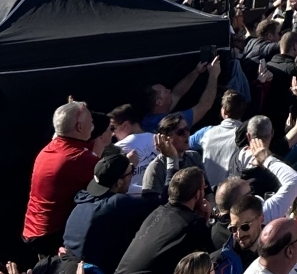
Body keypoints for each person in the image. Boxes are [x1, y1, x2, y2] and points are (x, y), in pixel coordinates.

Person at [26, 99, 115, 256]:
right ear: (79, 127)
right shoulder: (78, 158)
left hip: (35, 229)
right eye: (91, 121)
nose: (93, 124)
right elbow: (114, 184)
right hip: (50, 236)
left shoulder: (54, 146)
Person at [63, 149, 163, 274]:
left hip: (69, 266)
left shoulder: (82, 199)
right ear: (119, 182)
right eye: (131, 171)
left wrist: (124, 166)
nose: (133, 173)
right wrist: (171, 161)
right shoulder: (116, 203)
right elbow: (156, 202)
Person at [115, 167, 217, 274]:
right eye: (204, 188)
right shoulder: (194, 224)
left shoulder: (157, 212)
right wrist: (206, 220)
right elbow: (210, 257)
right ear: (197, 193)